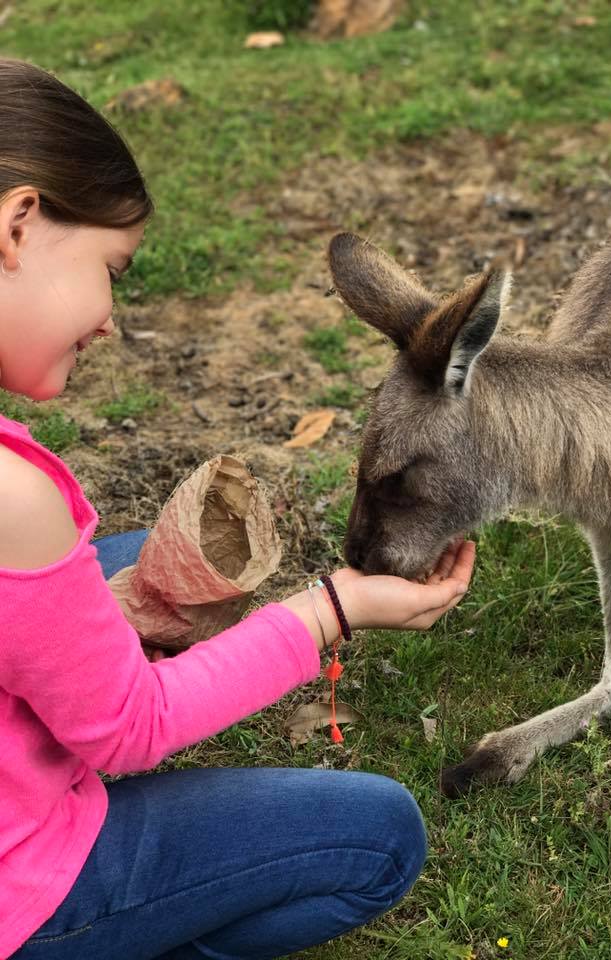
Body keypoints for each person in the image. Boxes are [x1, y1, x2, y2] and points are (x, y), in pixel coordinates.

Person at [0, 58, 475, 960]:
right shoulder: (12, 497)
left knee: (132, 557)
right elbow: (129, 732)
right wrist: (331, 610)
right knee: (378, 837)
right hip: (18, 888)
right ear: (18, 224)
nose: (108, 319)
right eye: (114, 269)